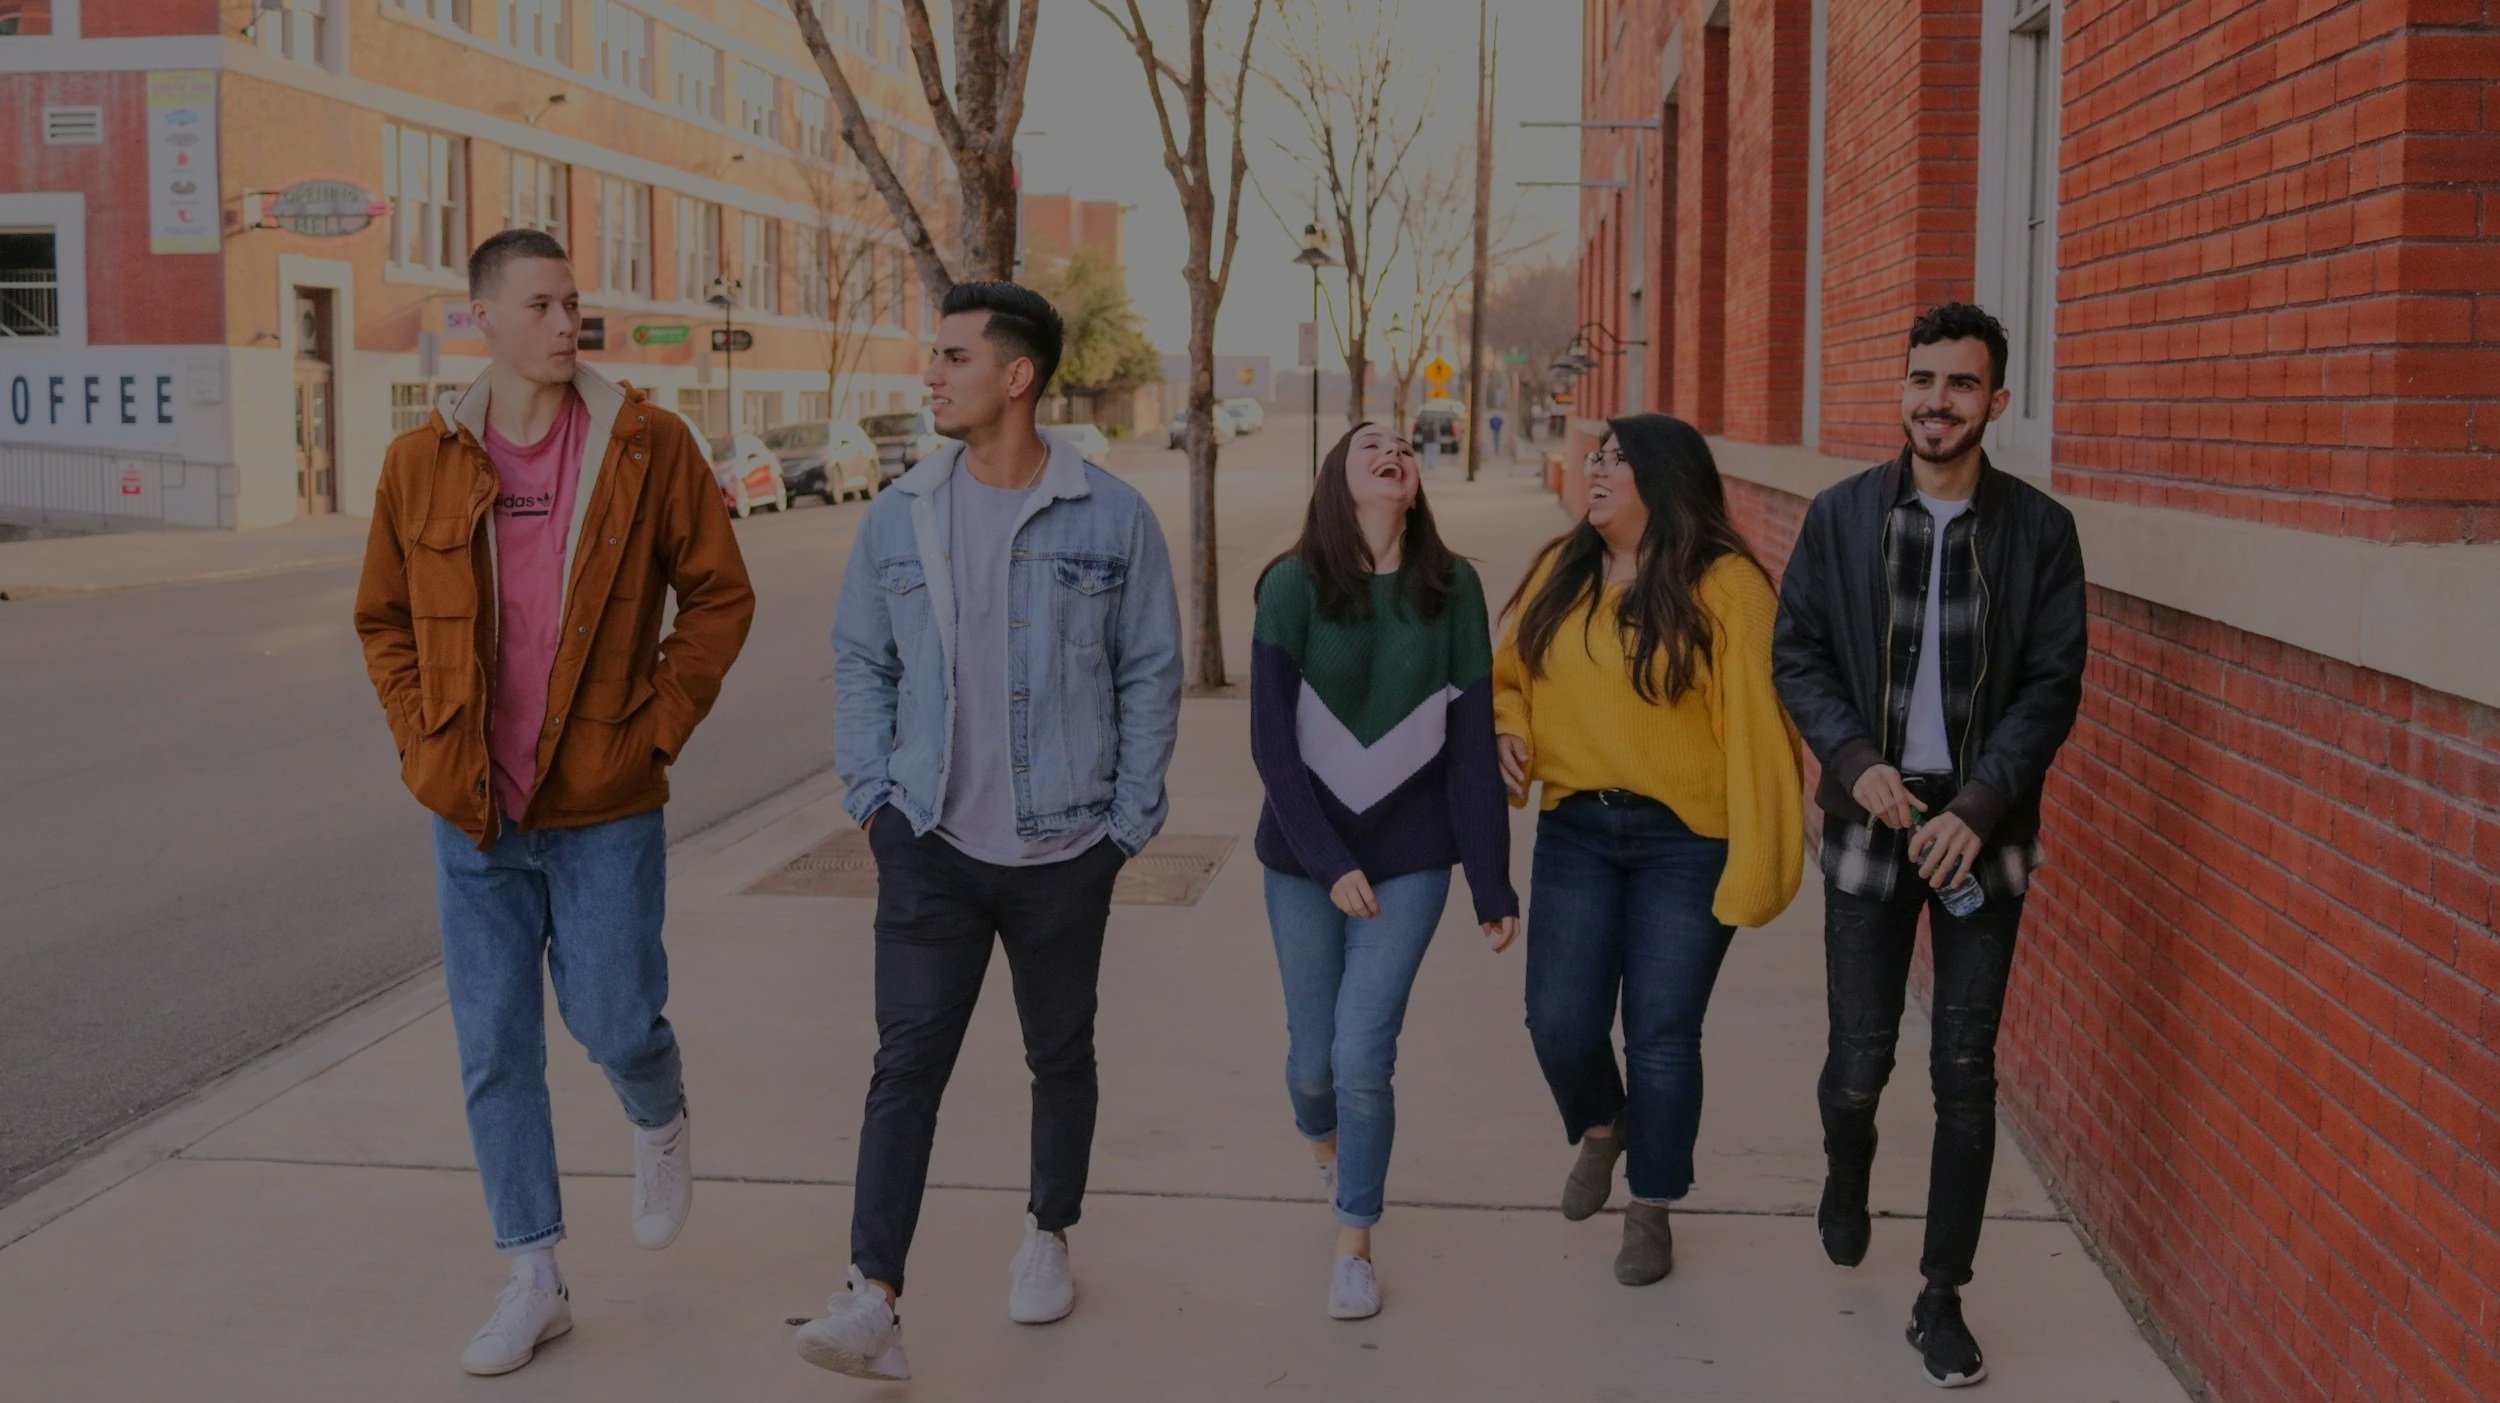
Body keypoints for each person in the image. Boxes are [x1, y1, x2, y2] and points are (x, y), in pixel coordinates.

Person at [352, 229, 754, 1376]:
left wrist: (657, 725)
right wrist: (423, 736)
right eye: (540, 303)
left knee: (616, 1018)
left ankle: (658, 1111)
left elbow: (719, 597)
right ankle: (533, 1270)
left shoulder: (645, 444)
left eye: (573, 301)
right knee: (493, 1044)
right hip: (473, 808)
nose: (565, 321)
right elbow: (383, 618)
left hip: (604, 802)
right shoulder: (420, 461)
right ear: (482, 317)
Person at [799, 280, 1183, 1381]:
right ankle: (873, 1294)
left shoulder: (1109, 515)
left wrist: (1125, 822)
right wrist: (873, 801)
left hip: (1067, 848)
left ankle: (1048, 1231)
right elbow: (862, 659)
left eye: (952, 356)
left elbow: (1150, 667)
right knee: (905, 1061)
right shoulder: (900, 510)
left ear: (1015, 377)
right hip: (928, 842)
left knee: (1057, 1050)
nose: (932, 374)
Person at [1772, 302, 2086, 1389]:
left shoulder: (2039, 530)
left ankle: (1940, 1294)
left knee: (1964, 1069)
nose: (1934, 401)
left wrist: (1982, 803)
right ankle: (1845, 1164)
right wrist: (1853, 758)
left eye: (1959, 384)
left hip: (1978, 832)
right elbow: (1798, 654)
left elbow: (2051, 686)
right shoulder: (1843, 517)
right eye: (1921, 380)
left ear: (1994, 402)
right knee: (1858, 1060)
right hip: (1871, 820)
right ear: (1900, 388)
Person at [1493, 413, 1802, 1288]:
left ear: (1663, 480)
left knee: (1663, 1035)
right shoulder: (1562, 570)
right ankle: (1602, 1127)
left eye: (1616, 460)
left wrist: (1761, 858)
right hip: (1577, 829)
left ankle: (1654, 1204)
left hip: (1688, 841)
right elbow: (1507, 677)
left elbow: (1760, 731)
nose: (1595, 469)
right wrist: (1507, 731)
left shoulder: (1728, 585)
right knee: (1558, 1020)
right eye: (1595, 455)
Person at [1249, 422, 1520, 1320]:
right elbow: (1272, 748)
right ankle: (1331, 1151)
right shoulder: (1291, 586)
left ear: (1414, 484)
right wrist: (1327, 864)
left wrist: (1491, 881)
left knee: (1362, 1053)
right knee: (1309, 1066)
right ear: (1339, 476)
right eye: (1370, 443)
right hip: (1303, 858)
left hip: (1409, 859)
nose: (1393, 450)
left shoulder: (1455, 589)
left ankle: (1355, 1238)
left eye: (1405, 445)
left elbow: (1475, 746)